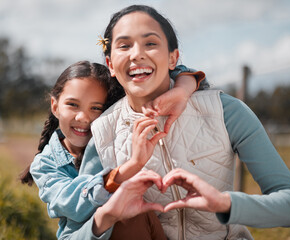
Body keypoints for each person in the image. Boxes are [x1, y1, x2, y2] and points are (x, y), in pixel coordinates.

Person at [80, 4, 290, 240]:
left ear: (173, 58)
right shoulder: (102, 134)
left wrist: (224, 203)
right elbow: (72, 232)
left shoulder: (226, 111)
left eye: (151, 43)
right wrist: (107, 216)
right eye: (124, 46)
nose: (137, 54)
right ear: (111, 64)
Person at [20, 60, 203, 239]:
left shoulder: (115, 138)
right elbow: (74, 205)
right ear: (55, 106)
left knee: (134, 215)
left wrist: (182, 90)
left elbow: (172, 72)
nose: (84, 117)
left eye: (96, 108)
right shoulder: (45, 164)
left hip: (147, 225)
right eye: (73, 105)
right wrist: (131, 166)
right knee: (126, 216)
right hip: (94, 234)